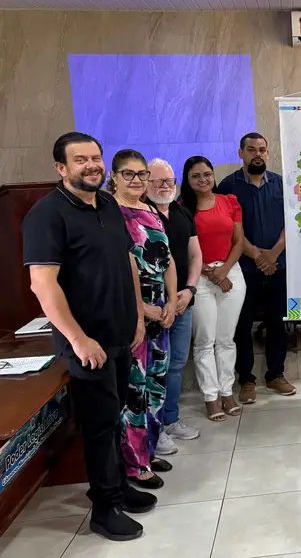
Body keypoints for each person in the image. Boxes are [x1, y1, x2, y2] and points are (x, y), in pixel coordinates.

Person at [22, 132, 156, 541]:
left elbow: (128, 262)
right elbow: (42, 284)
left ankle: (117, 486)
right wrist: (78, 339)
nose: (92, 165)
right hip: (86, 342)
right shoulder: (47, 214)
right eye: (80, 160)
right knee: (98, 424)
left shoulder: (108, 204)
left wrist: (137, 316)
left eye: (96, 157)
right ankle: (104, 508)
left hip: (120, 333)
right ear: (61, 168)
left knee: (115, 416)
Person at [108, 149, 178, 489]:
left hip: (161, 310)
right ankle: (134, 464)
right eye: (128, 174)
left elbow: (168, 259)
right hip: (133, 310)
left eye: (141, 174)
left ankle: (148, 450)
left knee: (156, 385)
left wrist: (172, 302)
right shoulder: (110, 213)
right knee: (135, 390)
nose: (136, 180)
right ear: (114, 177)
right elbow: (122, 266)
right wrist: (143, 308)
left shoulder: (150, 209)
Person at [218, 132, 294, 404]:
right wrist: (257, 256)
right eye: (251, 150)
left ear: (268, 152)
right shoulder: (228, 186)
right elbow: (227, 228)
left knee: (278, 322)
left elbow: (293, 220)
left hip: (278, 265)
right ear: (241, 153)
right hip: (243, 268)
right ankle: (246, 380)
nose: (257, 154)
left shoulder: (282, 184)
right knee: (242, 325)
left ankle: (276, 374)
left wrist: (274, 254)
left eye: (262, 149)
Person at [180, 156, 246, 421]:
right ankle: (211, 396)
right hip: (199, 276)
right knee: (205, 340)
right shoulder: (182, 209)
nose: (203, 179)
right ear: (187, 180)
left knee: (226, 339)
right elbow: (182, 248)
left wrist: (224, 271)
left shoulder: (229, 201)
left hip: (231, 273)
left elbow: (239, 241)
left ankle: (227, 391)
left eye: (207, 174)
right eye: (196, 176)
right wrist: (210, 272)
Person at [146, 159, 203, 451]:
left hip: (183, 301)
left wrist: (190, 290)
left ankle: (170, 419)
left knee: (177, 364)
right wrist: (168, 299)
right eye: (157, 181)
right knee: (154, 367)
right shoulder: (140, 215)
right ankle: (152, 429)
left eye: (168, 181)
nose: (164, 186)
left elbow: (195, 255)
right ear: (146, 183)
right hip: (153, 307)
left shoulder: (182, 212)